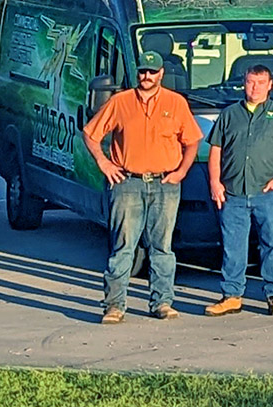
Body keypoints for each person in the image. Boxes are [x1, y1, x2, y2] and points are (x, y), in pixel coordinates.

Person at [82, 51, 202, 324]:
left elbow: (192, 140)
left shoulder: (176, 102)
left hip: (165, 183)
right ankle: (114, 306)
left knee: (162, 247)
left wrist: (182, 171)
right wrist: (103, 162)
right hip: (127, 183)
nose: (146, 76)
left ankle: (162, 302)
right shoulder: (120, 101)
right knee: (124, 247)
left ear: (161, 74)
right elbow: (90, 134)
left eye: (152, 71)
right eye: (142, 72)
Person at [205, 65, 273, 317]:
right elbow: (215, 149)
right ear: (243, 84)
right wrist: (215, 182)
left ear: (270, 85)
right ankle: (232, 295)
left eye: (260, 82)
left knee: (271, 243)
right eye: (250, 82)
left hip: (267, 192)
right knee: (233, 246)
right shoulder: (229, 114)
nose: (255, 87)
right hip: (234, 192)